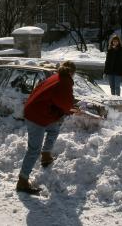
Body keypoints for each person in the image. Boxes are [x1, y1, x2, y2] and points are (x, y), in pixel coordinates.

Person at [17, 61, 80, 195]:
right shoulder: (64, 81)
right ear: (72, 73)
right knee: (34, 149)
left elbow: (58, 99)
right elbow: (65, 103)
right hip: (36, 116)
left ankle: (46, 155)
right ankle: (22, 181)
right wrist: (70, 108)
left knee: (54, 128)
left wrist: (67, 107)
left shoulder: (57, 77)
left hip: (38, 111)